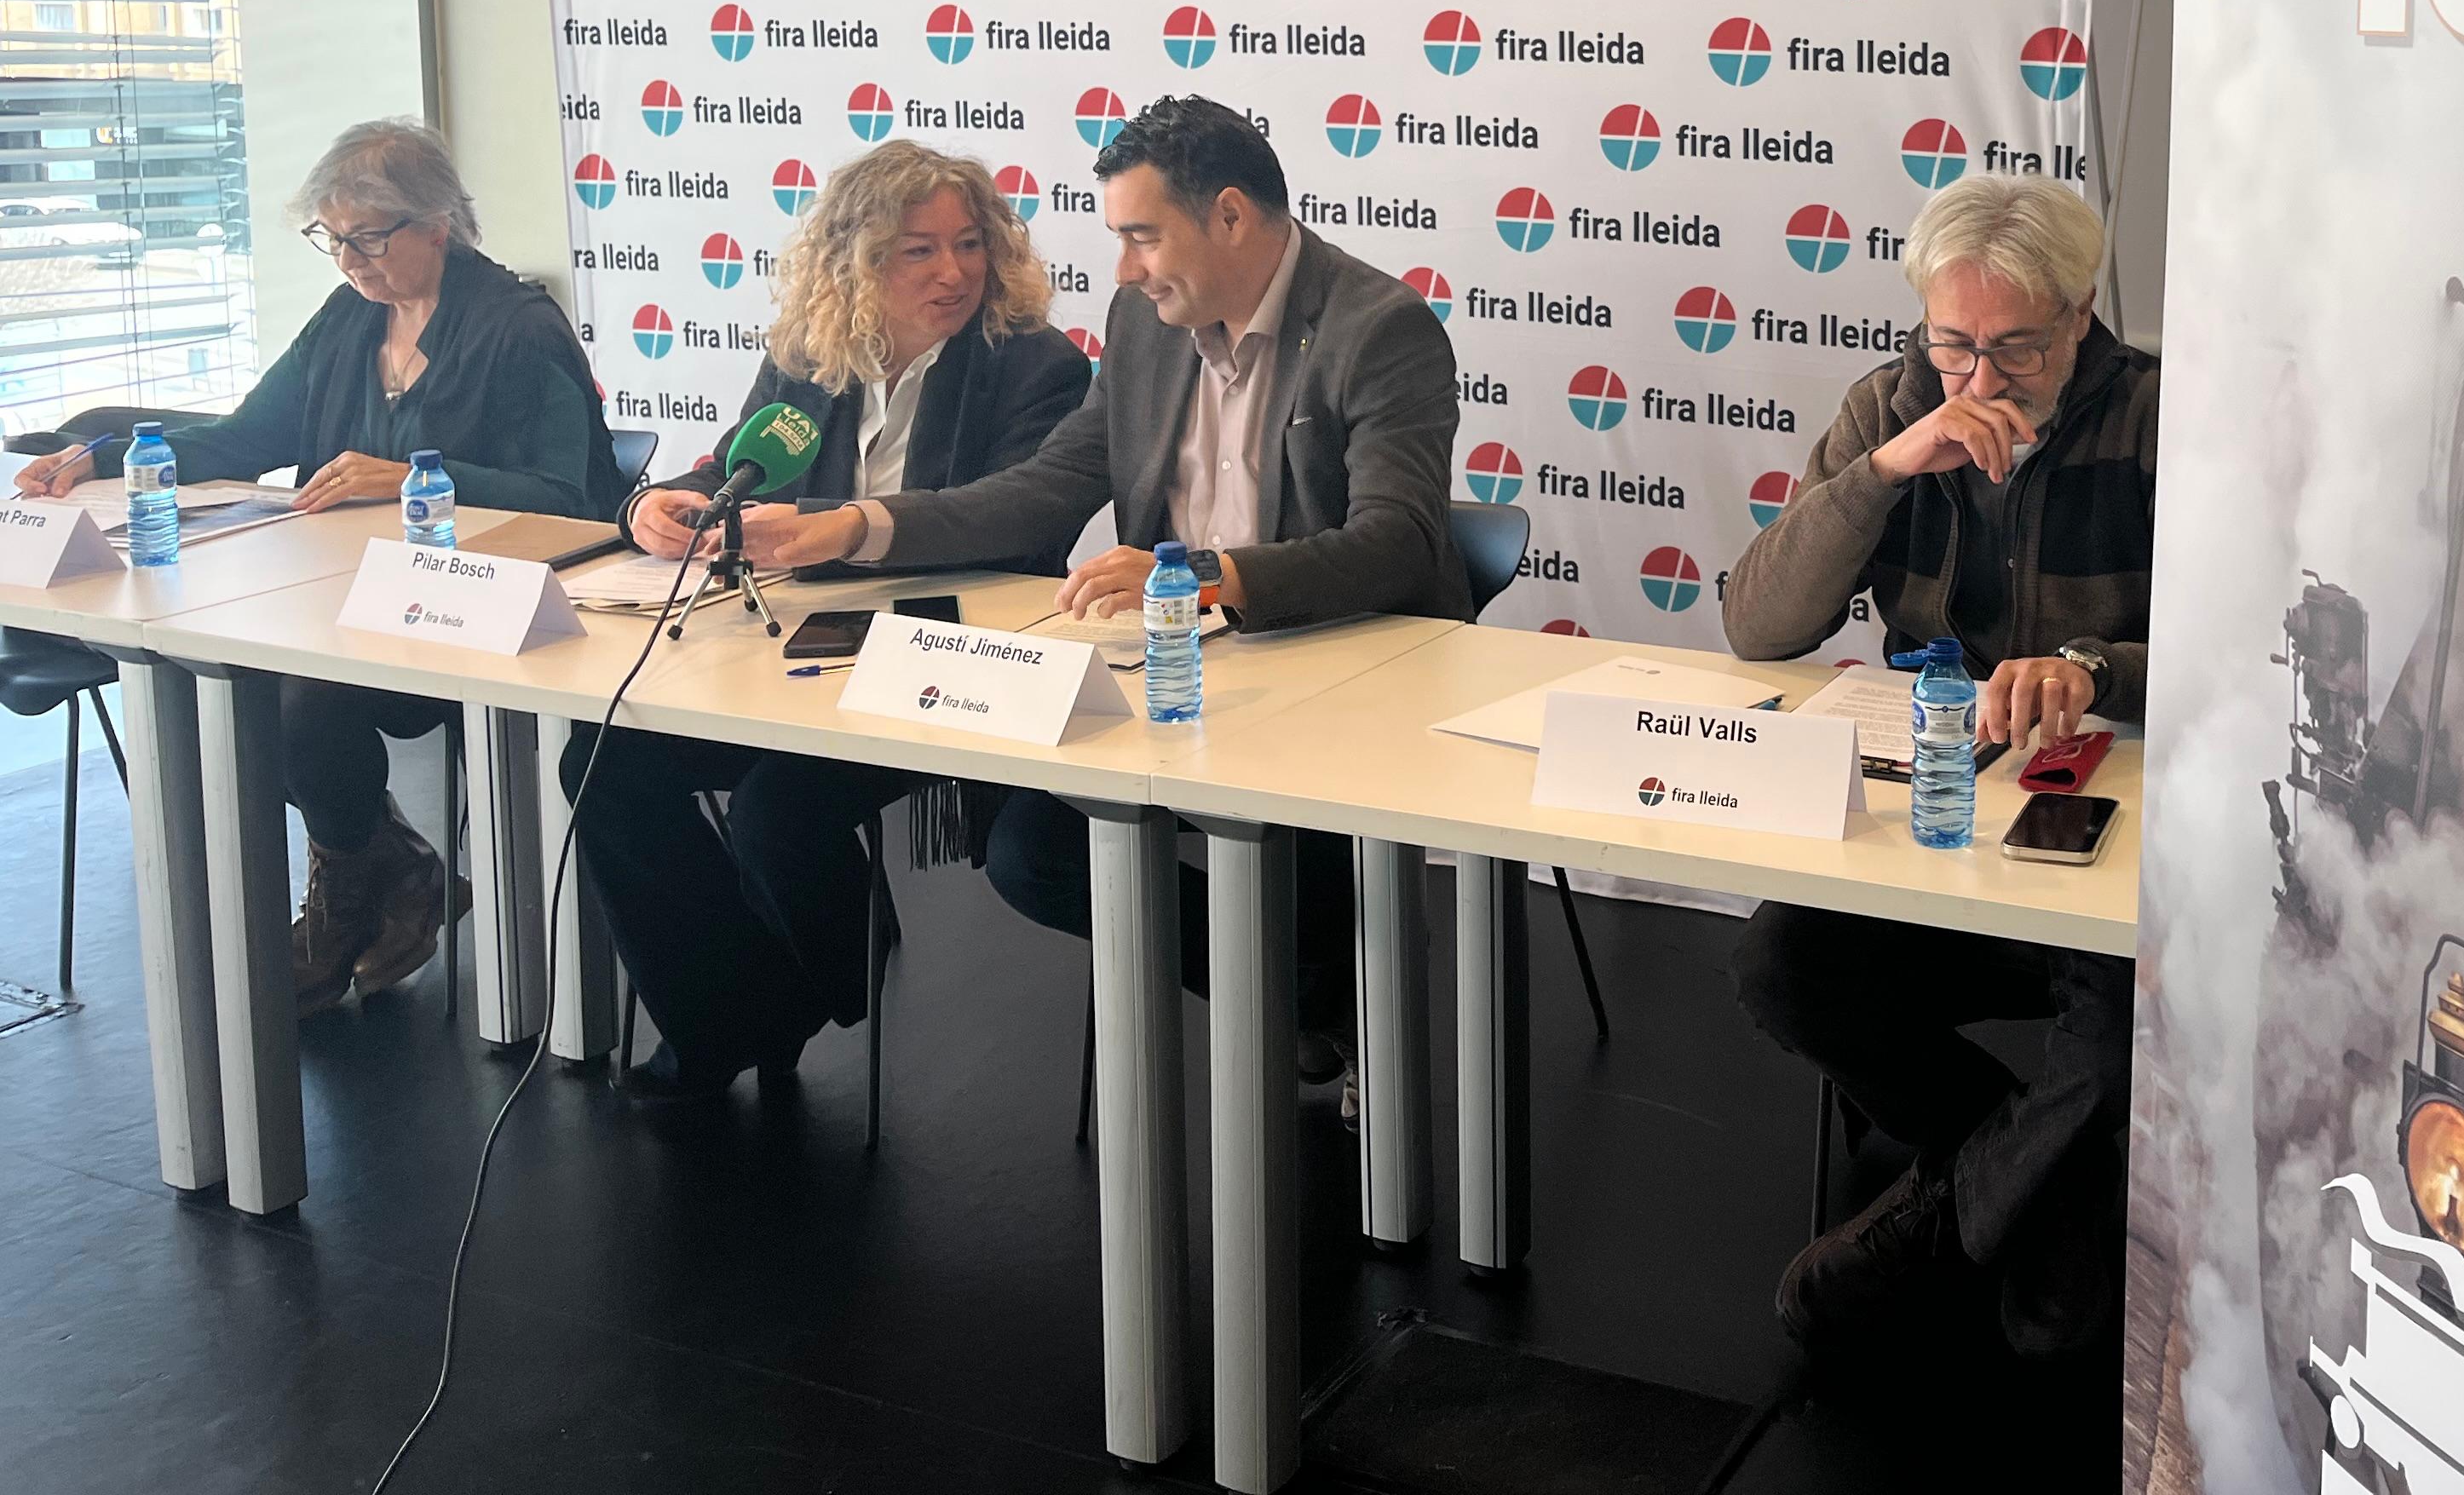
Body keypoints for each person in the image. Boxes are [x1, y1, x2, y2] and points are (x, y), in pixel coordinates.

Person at [734, 94, 1466, 1072]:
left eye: (1141, 237)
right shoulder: (1146, 322)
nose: (1123, 269)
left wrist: (1202, 576)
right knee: (1030, 852)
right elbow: (1045, 488)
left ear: (1231, 216)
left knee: (1307, 862)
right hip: (1184, 672)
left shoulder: (1378, 327)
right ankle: (1308, 993)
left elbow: (1399, 542)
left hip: (1346, 673)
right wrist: (862, 523)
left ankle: (1332, 1000)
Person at [17, 118, 622, 1016]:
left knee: (293, 698)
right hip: (345, 595)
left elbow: (573, 500)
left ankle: (362, 875)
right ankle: (380, 864)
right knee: (229, 679)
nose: (348, 261)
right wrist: (100, 458)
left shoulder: (518, 328)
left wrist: (417, 476)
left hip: (482, 609)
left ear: (436, 225)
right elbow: (245, 438)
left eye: (368, 239)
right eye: (331, 239)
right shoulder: (349, 318)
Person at [1718, 175, 2156, 1363]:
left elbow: (2239, 650)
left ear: (2081, 313)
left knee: (2119, 1028)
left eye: (2017, 347)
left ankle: (1945, 1219)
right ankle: (2029, 1189)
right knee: (1780, 965)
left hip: (2103, 829)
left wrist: (2094, 668)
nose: (1981, 381)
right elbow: (1757, 626)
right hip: (1940, 820)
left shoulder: (2156, 416)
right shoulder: (1892, 403)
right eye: (1954, 343)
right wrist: (1883, 472)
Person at [561, 141, 1091, 1100]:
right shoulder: (809, 357)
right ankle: (724, 1014)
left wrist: (839, 528)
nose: (954, 272)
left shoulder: (1034, 365)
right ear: (856, 261)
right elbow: (730, 471)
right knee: (603, 763)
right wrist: (652, 507)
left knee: (777, 811)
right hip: (795, 655)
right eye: (918, 251)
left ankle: (812, 983)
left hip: (944, 662)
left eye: (970, 244)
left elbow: (1016, 522)